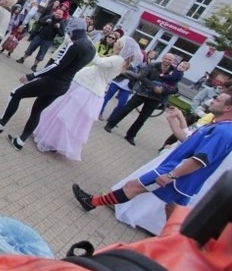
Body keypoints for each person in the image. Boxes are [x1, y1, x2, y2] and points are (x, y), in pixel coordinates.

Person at [73, 93, 232, 218]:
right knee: (172, 210)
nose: (212, 100)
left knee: (132, 186)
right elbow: (187, 141)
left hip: (177, 174)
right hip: (181, 177)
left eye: (217, 100)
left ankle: (92, 201)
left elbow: (200, 160)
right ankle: (176, 245)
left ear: (228, 108)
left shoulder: (223, 132)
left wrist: (171, 175)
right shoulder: (218, 126)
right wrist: (173, 121)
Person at [0, 17, 96, 151]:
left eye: (69, 29)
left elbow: (56, 65)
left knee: (17, 94)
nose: (68, 32)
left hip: (52, 81)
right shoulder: (91, 48)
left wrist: (32, 75)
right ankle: (20, 141)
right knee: (37, 110)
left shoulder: (75, 44)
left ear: (73, 29)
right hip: (63, 85)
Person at [33, 36, 142, 160]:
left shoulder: (117, 59)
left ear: (121, 47)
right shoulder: (120, 61)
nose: (115, 42)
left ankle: (51, 140)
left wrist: (89, 45)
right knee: (69, 116)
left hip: (87, 88)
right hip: (88, 85)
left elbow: (98, 61)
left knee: (66, 115)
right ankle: (53, 140)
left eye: (118, 42)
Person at [103, 53, 181, 145]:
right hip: (142, 93)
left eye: (170, 60)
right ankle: (110, 124)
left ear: (173, 62)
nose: (167, 61)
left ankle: (131, 135)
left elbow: (175, 89)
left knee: (143, 118)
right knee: (126, 109)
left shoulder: (174, 72)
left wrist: (163, 90)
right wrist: (153, 87)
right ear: (163, 58)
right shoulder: (153, 65)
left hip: (156, 98)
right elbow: (142, 77)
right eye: (166, 58)